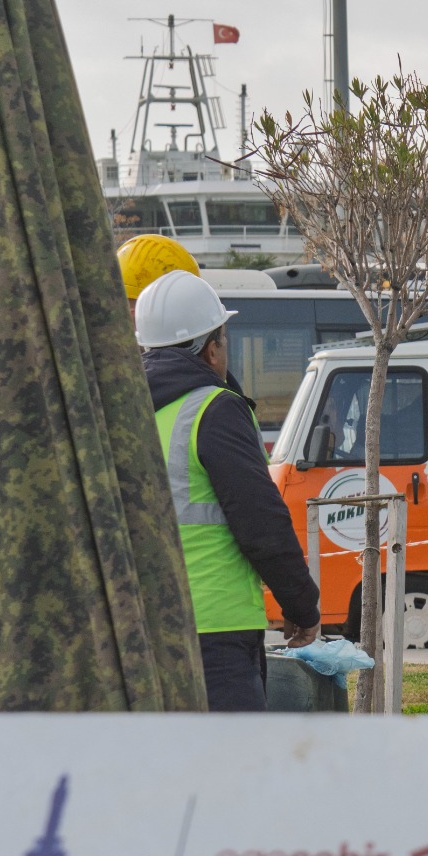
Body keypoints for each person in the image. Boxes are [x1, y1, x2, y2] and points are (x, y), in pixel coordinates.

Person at [135, 271, 322, 712]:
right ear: (212, 347)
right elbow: (261, 522)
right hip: (215, 632)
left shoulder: (119, 410)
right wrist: (302, 606)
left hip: (140, 628)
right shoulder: (214, 410)